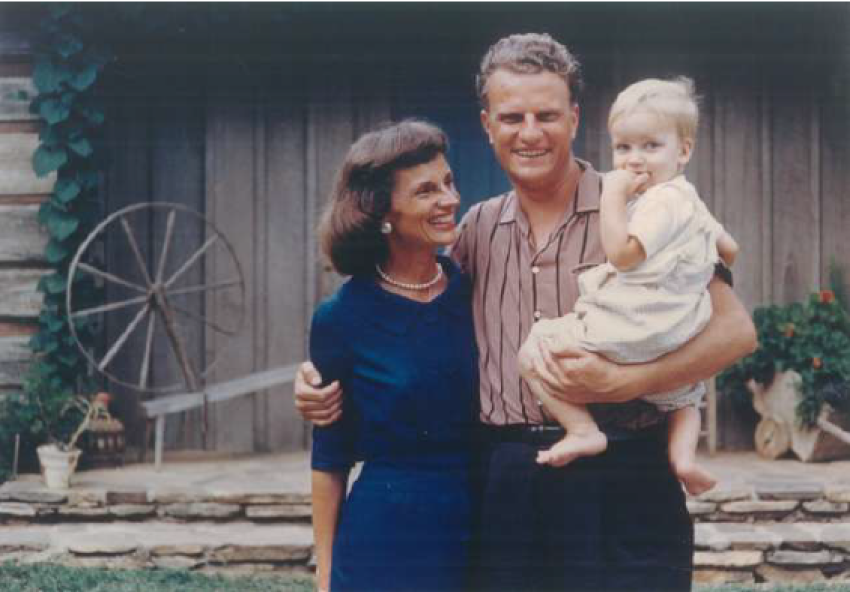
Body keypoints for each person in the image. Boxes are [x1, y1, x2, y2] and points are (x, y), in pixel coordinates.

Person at [296, 34, 756, 592]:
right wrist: (317, 384)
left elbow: (735, 331)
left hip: (627, 475)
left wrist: (624, 381)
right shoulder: (473, 234)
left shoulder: (644, 208)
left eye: (548, 115)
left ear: (575, 118)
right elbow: (398, 310)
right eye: (513, 117)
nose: (531, 133)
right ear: (488, 125)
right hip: (508, 484)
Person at [517, 77, 738, 497]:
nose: (635, 160)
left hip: (627, 328)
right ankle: (684, 458)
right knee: (683, 399)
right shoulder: (692, 201)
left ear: (684, 151)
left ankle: (582, 429)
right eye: (624, 148)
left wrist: (612, 197)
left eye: (650, 147)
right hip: (673, 333)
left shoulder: (658, 202)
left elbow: (621, 254)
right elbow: (730, 248)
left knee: (534, 347)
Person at [308, 119, 478, 591]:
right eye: (426, 191)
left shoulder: (472, 290)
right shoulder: (341, 318)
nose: (449, 199)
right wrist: (325, 573)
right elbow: (329, 455)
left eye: (448, 182)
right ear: (382, 213)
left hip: (481, 529)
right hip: (387, 541)